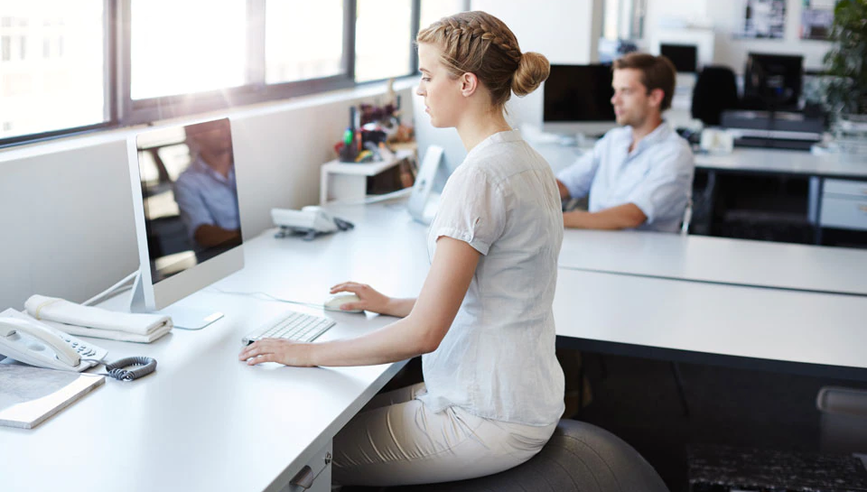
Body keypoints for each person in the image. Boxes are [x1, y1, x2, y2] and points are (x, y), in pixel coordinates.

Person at [238, 11, 565, 487]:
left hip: (485, 416)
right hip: (519, 397)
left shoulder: (478, 177)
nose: (420, 89)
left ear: (467, 83)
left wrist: (306, 352)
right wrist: (390, 304)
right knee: (341, 414)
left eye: (429, 76)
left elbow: (424, 334)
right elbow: (490, 295)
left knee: (300, 457)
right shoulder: (526, 162)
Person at [556, 53, 695, 233]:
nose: (615, 100)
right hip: (597, 247)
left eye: (626, 91)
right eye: (616, 91)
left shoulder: (675, 153)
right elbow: (568, 183)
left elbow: (632, 215)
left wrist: (558, 219)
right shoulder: (613, 140)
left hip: (642, 258)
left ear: (654, 97)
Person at [173, 119, 242, 250]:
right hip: (222, 260)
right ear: (196, 132)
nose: (226, 128)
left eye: (227, 123)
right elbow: (203, 233)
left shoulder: (248, 164)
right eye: (217, 124)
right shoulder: (187, 182)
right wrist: (249, 234)